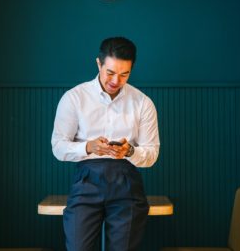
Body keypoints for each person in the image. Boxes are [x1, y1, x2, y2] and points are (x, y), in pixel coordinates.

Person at [51, 37, 160, 251]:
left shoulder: (143, 103)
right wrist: (87, 147)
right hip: (86, 182)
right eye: (110, 72)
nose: (115, 81)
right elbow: (58, 146)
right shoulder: (74, 98)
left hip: (127, 184)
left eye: (124, 74)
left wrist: (130, 151)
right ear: (99, 64)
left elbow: (152, 153)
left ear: (131, 69)